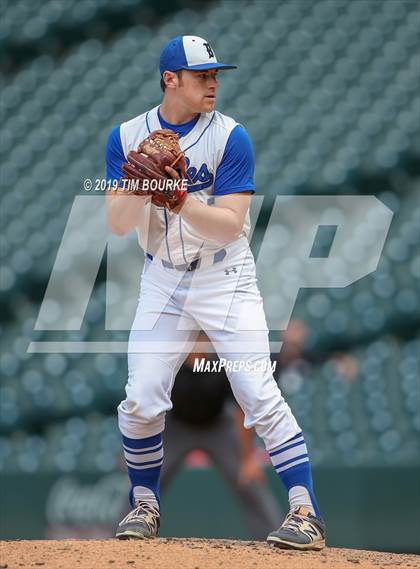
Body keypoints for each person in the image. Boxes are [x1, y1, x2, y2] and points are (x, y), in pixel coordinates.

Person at [105, 35, 326, 550]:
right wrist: (141, 187)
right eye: (202, 75)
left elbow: (228, 225)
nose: (213, 83)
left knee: (257, 391)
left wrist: (178, 199)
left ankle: (305, 511)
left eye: (215, 75)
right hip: (163, 276)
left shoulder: (231, 137)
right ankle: (144, 503)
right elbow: (117, 225)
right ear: (170, 79)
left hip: (225, 276)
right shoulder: (127, 136)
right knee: (140, 398)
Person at [161, 332, 282, 540]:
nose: (197, 344)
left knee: (248, 479)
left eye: (201, 338)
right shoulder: (169, 364)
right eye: (192, 339)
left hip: (217, 427)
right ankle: (118, 537)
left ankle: (275, 536)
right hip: (177, 428)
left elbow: (241, 409)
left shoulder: (220, 365)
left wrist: (247, 458)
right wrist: (143, 451)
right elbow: (150, 406)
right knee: (142, 481)